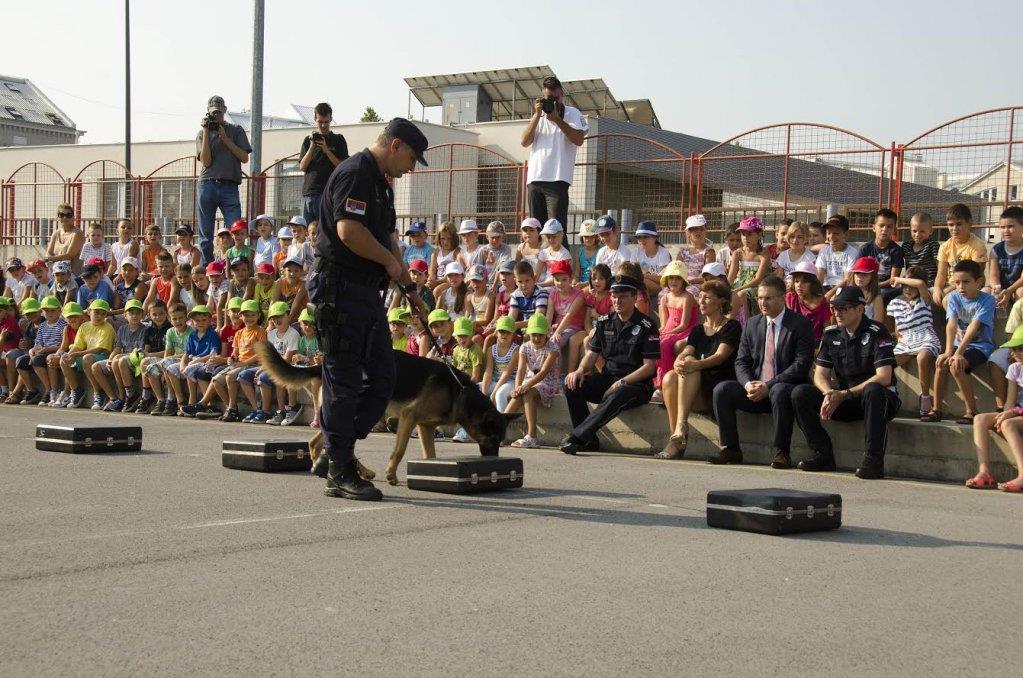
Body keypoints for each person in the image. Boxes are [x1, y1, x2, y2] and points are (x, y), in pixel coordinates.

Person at [308, 117, 428, 500]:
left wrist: (409, 288)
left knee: (383, 378)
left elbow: (390, 236)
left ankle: (334, 449)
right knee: (343, 382)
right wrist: (391, 266)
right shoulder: (355, 172)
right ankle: (340, 469)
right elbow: (349, 232)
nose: (412, 167)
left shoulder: (381, 184)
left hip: (366, 292)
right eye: (412, 157)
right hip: (339, 288)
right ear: (395, 145)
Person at [791, 287, 900, 479]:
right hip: (844, 399)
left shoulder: (877, 331)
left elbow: (884, 377)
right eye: (834, 308)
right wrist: (828, 393)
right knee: (800, 393)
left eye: (843, 308)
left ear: (860, 309)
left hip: (877, 400)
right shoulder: (831, 334)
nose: (837, 313)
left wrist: (845, 394)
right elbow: (820, 374)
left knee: (873, 390)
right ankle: (822, 454)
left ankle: (873, 460)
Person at [710, 275, 814, 468]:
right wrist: (748, 383)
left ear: (783, 298)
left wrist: (769, 385)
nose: (762, 303)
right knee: (722, 389)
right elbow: (741, 361)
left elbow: (801, 364)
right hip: (756, 389)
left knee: (780, 390)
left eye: (768, 298)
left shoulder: (800, 324)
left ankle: (781, 452)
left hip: (783, 390)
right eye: (759, 298)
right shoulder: (752, 324)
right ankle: (731, 448)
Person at [561, 274, 659, 454]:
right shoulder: (604, 322)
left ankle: (578, 436)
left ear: (634, 297)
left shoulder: (647, 325)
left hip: (636, 385)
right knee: (571, 384)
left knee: (620, 391)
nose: (617, 301)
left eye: (622, 297)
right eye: (614, 296)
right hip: (608, 378)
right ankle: (588, 440)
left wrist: (621, 382)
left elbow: (649, 367)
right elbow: (591, 354)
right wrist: (580, 370)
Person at [658, 280, 742, 459]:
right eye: (700, 297)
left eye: (707, 298)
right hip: (693, 388)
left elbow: (720, 357)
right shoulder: (698, 330)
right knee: (670, 377)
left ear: (721, 301)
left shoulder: (732, 327)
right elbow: (687, 351)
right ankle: (677, 435)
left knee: (691, 365)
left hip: (718, 390)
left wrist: (693, 364)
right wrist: (678, 362)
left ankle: (680, 431)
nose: (701, 301)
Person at [925, 260, 997, 424]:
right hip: (958, 345)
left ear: (978, 282)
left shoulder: (987, 300)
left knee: (956, 365)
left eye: (966, 282)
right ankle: (936, 409)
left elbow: (973, 327)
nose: (961, 286)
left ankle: (971, 411)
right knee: (941, 362)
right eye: (957, 282)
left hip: (980, 347)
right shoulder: (954, 298)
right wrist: (949, 351)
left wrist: (957, 354)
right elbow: (951, 324)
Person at [520, 75, 587, 227]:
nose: (553, 102)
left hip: (558, 179)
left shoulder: (572, 113)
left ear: (562, 94)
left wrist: (557, 119)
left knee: (556, 230)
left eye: (556, 97)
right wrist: (537, 115)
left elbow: (578, 139)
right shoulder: (539, 115)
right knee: (536, 230)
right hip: (535, 179)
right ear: (542, 97)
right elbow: (524, 141)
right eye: (549, 98)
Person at [964, 326, 1023, 492]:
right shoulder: (1015, 368)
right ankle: (984, 473)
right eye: (1014, 349)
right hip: (1017, 413)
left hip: (1018, 415)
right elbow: (1010, 402)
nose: (1016, 353)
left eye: (1021, 348)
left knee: (1008, 424)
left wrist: (1011, 415)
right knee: (980, 419)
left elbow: (1013, 411)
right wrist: (1005, 413)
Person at [196, 95, 252, 264]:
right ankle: (208, 267)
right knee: (205, 234)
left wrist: (225, 139)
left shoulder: (236, 130)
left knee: (236, 229)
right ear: (208, 111)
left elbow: (244, 157)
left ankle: (237, 266)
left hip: (229, 185)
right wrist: (207, 131)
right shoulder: (201, 133)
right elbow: (206, 161)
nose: (216, 116)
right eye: (213, 113)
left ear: (225, 111)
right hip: (207, 184)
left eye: (219, 113)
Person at [887, 267, 942, 418]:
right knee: (887, 363)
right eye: (905, 286)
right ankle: (890, 393)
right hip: (906, 340)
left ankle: (925, 398)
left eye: (911, 286)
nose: (908, 290)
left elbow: (920, 284)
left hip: (926, 337)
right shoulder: (895, 303)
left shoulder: (925, 299)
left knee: (922, 358)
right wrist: (901, 341)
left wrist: (898, 279)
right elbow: (897, 329)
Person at [505, 313, 562, 449]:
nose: (536, 338)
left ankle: (532, 436)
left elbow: (543, 373)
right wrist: (518, 387)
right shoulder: (524, 347)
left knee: (528, 393)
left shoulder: (553, 348)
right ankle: (497, 429)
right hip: (529, 381)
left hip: (548, 383)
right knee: (517, 396)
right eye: (533, 334)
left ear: (547, 334)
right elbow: (521, 370)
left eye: (540, 335)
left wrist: (525, 386)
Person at [59, 299, 115, 409]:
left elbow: (99, 350)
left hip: (103, 357)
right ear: (89, 312)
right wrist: (70, 355)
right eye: (96, 312)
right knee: (64, 359)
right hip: (87, 356)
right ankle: (77, 390)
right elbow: (77, 346)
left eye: (103, 314)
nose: (99, 316)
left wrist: (77, 354)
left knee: (87, 358)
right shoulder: (84, 326)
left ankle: (98, 392)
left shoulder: (107, 327)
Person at [299, 102, 348, 225]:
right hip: (308, 194)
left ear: (331, 119)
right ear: (315, 119)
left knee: (325, 230)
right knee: (306, 230)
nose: (323, 125)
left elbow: (343, 166)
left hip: (327, 193)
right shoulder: (308, 140)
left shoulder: (338, 140)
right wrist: (311, 147)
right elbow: (302, 166)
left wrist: (327, 150)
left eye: (326, 122)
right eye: (320, 122)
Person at [654, 260, 698, 394]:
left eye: (678, 278)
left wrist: (666, 334)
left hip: (685, 332)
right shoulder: (665, 298)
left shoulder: (687, 298)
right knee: (651, 340)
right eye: (671, 278)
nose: (674, 281)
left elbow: (684, 324)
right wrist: (658, 332)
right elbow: (664, 324)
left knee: (664, 344)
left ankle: (663, 385)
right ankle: (653, 379)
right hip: (669, 331)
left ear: (684, 281)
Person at [933, 203, 987, 306]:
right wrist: (937, 288)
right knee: (928, 296)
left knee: (947, 300)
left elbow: (976, 276)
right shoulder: (945, 246)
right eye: (951, 225)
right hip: (951, 285)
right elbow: (941, 274)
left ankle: (956, 322)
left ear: (970, 223)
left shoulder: (977, 246)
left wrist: (949, 289)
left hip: (970, 285)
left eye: (959, 224)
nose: (954, 228)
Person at [450, 317, 485, 443]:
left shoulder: (475, 350)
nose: (462, 339)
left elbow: (476, 375)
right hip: (460, 383)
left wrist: (465, 386)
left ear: (472, 334)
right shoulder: (456, 350)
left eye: (465, 335)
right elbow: (454, 370)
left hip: (472, 384)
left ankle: (466, 431)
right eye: (459, 336)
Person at [728, 216, 771, 315]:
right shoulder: (738, 253)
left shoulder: (764, 254)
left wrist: (738, 289)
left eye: (750, 234)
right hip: (740, 284)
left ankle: (747, 325)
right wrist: (727, 289)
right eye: (743, 234)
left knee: (741, 294)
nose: (745, 238)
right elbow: (731, 277)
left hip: (757, 286)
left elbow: (758, 279)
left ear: (759, 235)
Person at [859, 208, 904, 304]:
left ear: (894, 230)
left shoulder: (896, 250)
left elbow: (893, 280)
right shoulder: (865, 249)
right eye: (881, 225)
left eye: (889, 226)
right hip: (866, 285)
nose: (884, 229)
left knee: (881, 296)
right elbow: (858, 273)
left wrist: (876, 286)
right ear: (874, 227)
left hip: (886, 288)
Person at [824, 257, 885, 321]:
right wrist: (845, 281)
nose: (859, 277)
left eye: (865, 274)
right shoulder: (845, 292)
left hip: (867, 329)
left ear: (873, 276)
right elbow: (826, 298)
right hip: (846, 329)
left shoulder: (876, 297)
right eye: (857, 273)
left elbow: (878, 323)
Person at [785, 261, 831, 342]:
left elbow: (827, 329)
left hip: (816, 344)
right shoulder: (791, 298)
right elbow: (789, 324)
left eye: (805, 281)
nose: (799, 285)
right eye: (796, 281)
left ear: (813, 284)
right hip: (795, 341)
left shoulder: (823, 302)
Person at [988, 206, 1023, 306]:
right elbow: (993, 275)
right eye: (1002, 227)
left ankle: (1019, 321)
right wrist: (997, 288)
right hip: (1002, 288)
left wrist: (1009, 290)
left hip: (1018, 288)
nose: (1006, 230)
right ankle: (980, 322)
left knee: (1021, 292)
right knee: (986, 292)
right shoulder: (996, 249)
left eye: (1010, 226)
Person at [815, 214, 860, 290]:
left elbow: (847, 280)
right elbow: (820, 275)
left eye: (836, 233)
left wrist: (830, 294)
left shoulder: (852, 253)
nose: (831, 237)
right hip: (825, 287)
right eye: (828, 233)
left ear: (845, 235)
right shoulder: (824, 251)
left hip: (843, 289)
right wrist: (817, 293)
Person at [677, 214, 717, 296]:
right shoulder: (682, 251)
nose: (698, 232)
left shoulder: (709, 251)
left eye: (701, 229)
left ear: (705, 231)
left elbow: (707, 276)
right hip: (681, 282)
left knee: (687, 294)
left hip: (698, 285)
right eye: (694, 229)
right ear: (688, 233)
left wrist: (690, 281)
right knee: (663, 294)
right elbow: (676, 270)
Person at [631, 221, 672, 297]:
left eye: (645, 236)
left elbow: (664, 279)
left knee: (640, 281)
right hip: (641, 285)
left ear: (655, 238)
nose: (642, 240)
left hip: (660, 287)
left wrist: (642, 276)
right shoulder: (635, 252)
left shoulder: (663, 252)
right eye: (639, 237)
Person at [901, 212, 940, 289]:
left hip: (929, 285)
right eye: (914, 231)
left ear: (931, 231)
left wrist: (938, 286)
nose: (917, 234)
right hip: (910, 285)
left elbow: (940, 267)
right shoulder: (906, 246)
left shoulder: (932, 245)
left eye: (922, 231)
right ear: (910, 230)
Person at [44, 203, 85, 275]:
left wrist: (49, 259)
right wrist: (48, 259)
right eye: (61, 215)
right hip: (56, 274)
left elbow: (69, 256)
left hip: (73, 275)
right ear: (57, 218)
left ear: (73, 217)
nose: (65, 218)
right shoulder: (56, 233)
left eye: (68, 215)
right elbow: (49, 253)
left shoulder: (77, 233)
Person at [575, 219, 600, 288]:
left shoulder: (600, 251)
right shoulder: (579, 251)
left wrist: (586, 284)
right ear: (582, 237)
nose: (588, 239)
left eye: (591, 236)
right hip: (581, 285)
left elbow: (600, 275)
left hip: (596, 284)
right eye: (586, 236)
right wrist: (574, 283)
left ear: (596, 236)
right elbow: (577, 273)